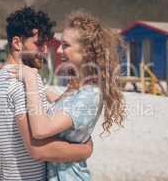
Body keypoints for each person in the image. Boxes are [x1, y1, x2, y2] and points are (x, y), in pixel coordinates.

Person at [9, 12, 125, 180]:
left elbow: (41, 130)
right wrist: (41, 88)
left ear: (87, 52)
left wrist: (31, 80)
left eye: (65, 45)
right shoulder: (78, 87)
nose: (58, 49)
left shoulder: (90, 95)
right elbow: (65, 109)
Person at [0, 7, 93, 181]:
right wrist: (85, 150)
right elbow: (36, 149)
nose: (45, 51)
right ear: (17, 43)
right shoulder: (26, 80)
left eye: (46, 44)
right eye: (39, 44)